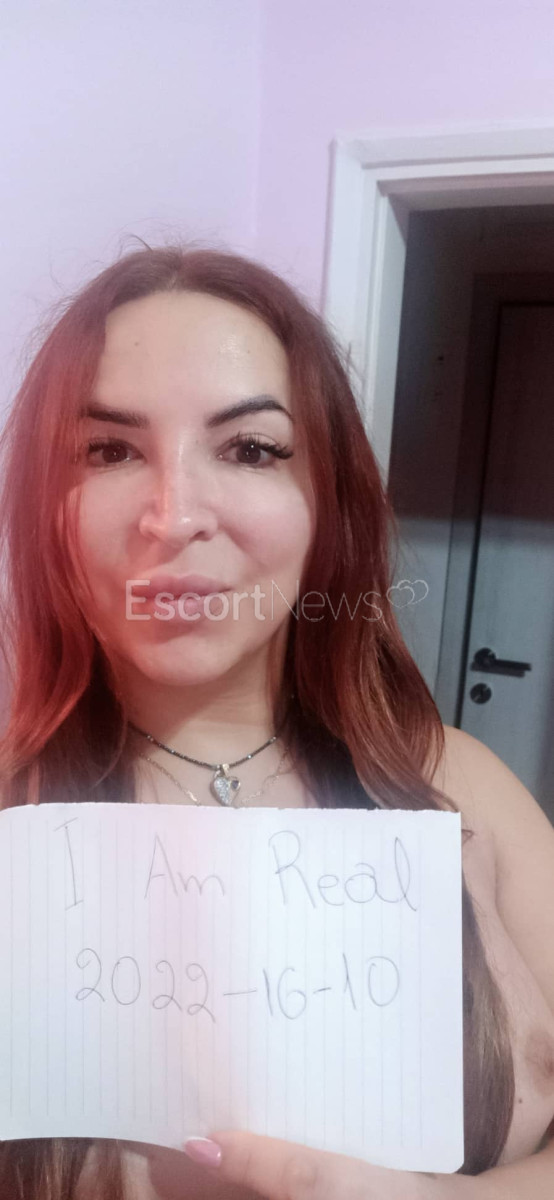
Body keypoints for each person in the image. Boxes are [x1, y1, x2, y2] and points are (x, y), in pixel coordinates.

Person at [0, 244, 553, 1200]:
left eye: (251, 449)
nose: (174, 516)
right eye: (109, 450)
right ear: (44, 506)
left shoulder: (463, 786)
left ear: (329, 502)